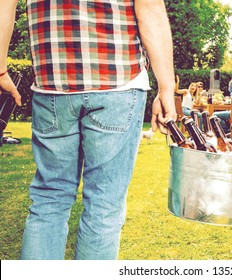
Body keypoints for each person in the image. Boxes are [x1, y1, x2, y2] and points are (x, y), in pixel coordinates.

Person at [0, 0, 176, 260]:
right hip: (118, 82)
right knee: (104, 207)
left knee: (49, 201)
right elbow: (149, 8)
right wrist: (166, 88)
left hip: (53, 86)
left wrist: (1, 69)